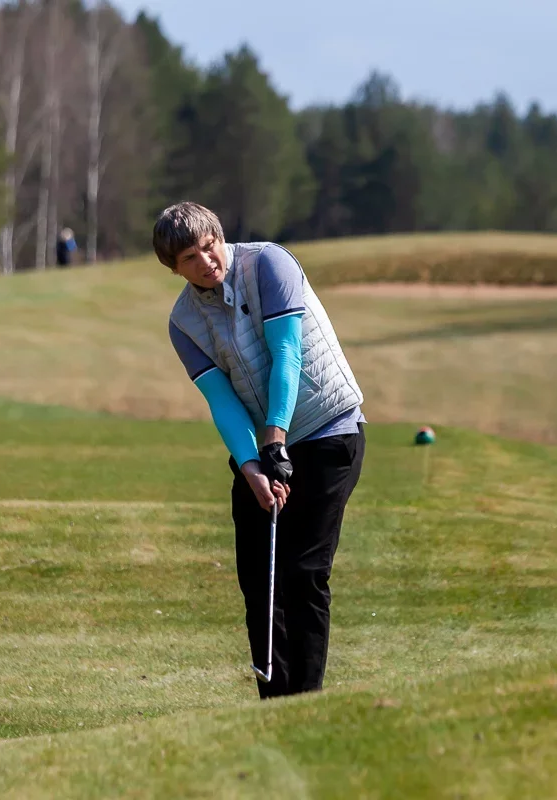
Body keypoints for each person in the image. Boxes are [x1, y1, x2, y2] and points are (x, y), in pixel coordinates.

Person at [153, 201, 367, 700]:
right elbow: (221, 400)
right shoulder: (183, 321)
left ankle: (306, 701)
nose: (207, 261)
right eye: (190, 258)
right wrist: (252, 467)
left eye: (209, 247)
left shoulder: (270, 264)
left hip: (327, 431)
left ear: (220, 237)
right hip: (262, 448)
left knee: (303, 571)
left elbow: (286, 353)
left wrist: (276, 437)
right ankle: (274, 702)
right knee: (259, 578)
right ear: (173, 268)